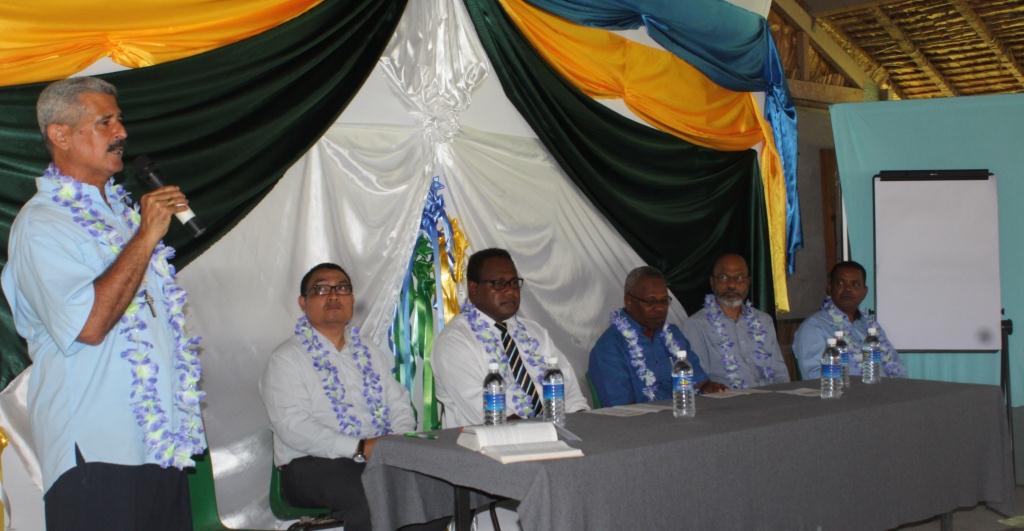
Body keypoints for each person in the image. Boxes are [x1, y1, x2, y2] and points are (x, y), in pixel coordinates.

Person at [0, 77, 205, 530]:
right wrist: (147, 236)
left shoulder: (122, 216)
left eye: (121, 120)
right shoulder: (42, 225)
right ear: (60, 135)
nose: (122, 133)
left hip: (158, 445)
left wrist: (140, 232)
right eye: (105, 122)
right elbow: (89, 325)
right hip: (97, 449)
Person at [260, 263, 449, 531]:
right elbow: (294, 427)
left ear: (352, 299)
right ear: (303, 302)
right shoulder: (286, 359)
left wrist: (396, 441)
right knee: (372, 494)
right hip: (310, 465)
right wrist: (359, 448)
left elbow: (399, 403)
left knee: (432, 489)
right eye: (322, 289)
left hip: (376, 457)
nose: (334, 295)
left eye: (343, 288)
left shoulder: (369, 351)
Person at [432, 248, 589, 428]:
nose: (510, 291)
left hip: (557, 435)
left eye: (514, 283)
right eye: (499, 284)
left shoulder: (535, 332)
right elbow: (489, 415)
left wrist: (583, 426)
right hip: (490, 447)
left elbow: (571, 395)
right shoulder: (454, 342)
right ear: (474, 289)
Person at [588, 266, 725, 406]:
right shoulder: (609, 347)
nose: (660, 308)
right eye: (651, 302)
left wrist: (712, 389)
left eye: (664, 301)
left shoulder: (674, 334)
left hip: (684, 415)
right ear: (628, 301)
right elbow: (621, 409)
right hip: (642, 424)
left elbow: (699, 383)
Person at [681, 254, 790, 389]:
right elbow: (696, 380)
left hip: (768, 400)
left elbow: (780, 374)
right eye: (723, 277)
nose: (731, 285)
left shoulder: (764, 321)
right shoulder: (696, 325)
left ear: (748, 282)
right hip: (726, 404)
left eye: (738, 278)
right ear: (712, 282)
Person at [793, 260, 906, 379]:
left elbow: (895, 365)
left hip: (884, 392)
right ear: (829, 288)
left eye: (855, 284)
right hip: (844, 395)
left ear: (864, 292)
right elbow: (814, 377)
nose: (847, 289)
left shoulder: (871, 327)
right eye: (841, 283)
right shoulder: (814, 327)